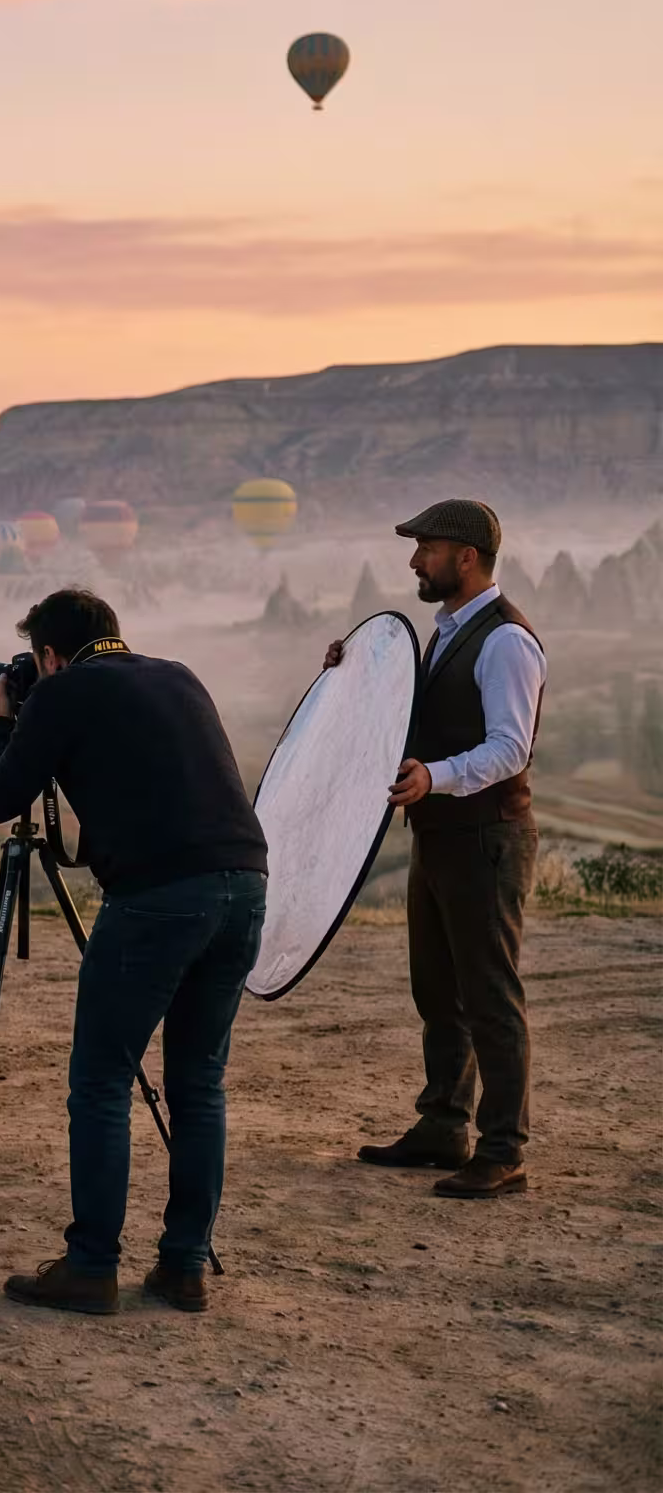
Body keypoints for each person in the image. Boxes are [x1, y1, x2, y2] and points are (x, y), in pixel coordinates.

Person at [0, 589, 268, 1316]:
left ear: (49, 654)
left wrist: (5, 718)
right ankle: (184, 1266)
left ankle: (91, 1266)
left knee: (102, 1081)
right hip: (246, 883)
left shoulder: (62, 692)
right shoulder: (178, 674)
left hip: (158, 897)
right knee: (199, 1083)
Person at [329, 499, 542, 1199]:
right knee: (438, 991)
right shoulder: (446, 630)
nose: (415, 561)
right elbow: (415, 713)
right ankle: (444, 1126)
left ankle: (503, 1147)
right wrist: (351, 669)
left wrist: (436, 777)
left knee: (489, 996)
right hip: (442, 834)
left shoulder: (506, 640)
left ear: (467, 557)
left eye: (426, 548)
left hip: (485, 838)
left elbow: (510, 749)